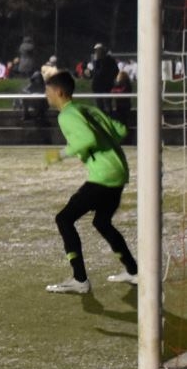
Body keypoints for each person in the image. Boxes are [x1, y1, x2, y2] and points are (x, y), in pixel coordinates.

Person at [42, 71, 137, 294]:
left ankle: (80, 279)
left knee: (64, 219)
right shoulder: (88, 109)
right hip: (119, 170)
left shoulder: (66, 115)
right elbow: (121, 130)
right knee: (102, 222)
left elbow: (88, 139)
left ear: (59, 92)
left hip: (103, 175)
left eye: (48, 92)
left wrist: (59, 155)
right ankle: (134, 271)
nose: (46, 96)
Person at [88, 43, 118, 111]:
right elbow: (95, 72)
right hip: (100, 86)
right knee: (102, 105)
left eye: (97, 50)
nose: (96, 52)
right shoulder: (100, 60)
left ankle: (106, 116)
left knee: (105, 105)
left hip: (104, 86)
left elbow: (99, 72)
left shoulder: (105, 60)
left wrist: (110, 78)